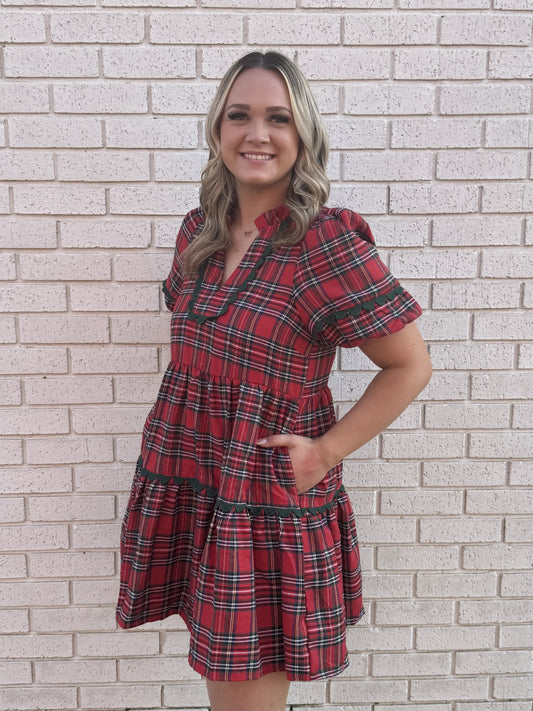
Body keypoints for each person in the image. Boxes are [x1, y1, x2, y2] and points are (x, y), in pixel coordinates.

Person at [116, 51, 432, 711]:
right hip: (193, 472)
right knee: (221, 678)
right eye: (240, 115)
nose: (256, 133)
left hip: (261, 499)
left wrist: (326, 451)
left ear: (303, 135)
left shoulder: (324, 242)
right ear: (217, 130)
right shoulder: (196, 234)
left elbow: (408, 364)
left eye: (277, 118)